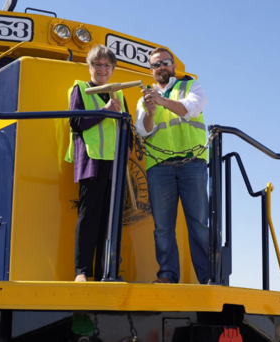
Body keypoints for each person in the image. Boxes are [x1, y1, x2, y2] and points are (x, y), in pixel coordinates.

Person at [135, 47, 209, 284]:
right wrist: (150, 112)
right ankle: (167, 274)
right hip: (159, 167)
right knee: (163, 227)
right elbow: (142, 130)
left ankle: (209, 276)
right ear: (151, 70)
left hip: (193, 164)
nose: (160, 68)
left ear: (173, 65)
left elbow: (191, 109)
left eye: (164, 63)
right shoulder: (144, 98)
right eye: (155, 65)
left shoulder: (192, 86)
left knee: (198, 223)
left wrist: (161, 101)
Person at [65, 44, 130, 282]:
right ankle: (82, 272)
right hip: (90, 160)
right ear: (89, 67)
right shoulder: (80, 89)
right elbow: (75, 122)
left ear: (113, 69)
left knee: (110, 219)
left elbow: (126, 125)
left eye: (107, 65)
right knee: (89, 215)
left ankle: (107, 271)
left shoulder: (120, 94)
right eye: (97, 64)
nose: (102, 69)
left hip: (114, 162)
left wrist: (129, 148)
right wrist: (104, 110)